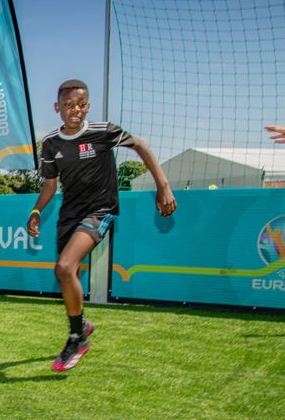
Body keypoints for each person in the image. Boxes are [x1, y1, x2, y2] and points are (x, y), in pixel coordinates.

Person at [27, 79, 176, 371]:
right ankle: (81, 323)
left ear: (88, 106)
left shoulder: (103, 132)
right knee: (68, 275)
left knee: (64, 267)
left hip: (100, 210)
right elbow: (49, 185)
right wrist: (36, 210)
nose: (75, 110)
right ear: (58, 107)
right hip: (68, 215)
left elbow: (141, 146)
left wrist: (163, 186)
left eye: (81, 104)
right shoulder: (51, 143)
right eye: (69, 105)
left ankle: (76, 338)